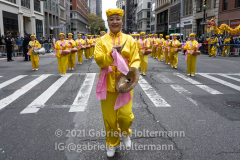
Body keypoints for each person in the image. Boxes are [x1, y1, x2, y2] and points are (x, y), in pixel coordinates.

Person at [94, 8, 140, 157]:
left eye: (118, 19)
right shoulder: (101, 41)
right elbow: (99, 60)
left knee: (125, 116)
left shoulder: (130, 40)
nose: (115, 22)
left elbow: (136, 59)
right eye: (111, 19)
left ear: (122, 21)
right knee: (109, 119)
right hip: (107, 83)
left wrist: (130, 75)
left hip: (125, 82)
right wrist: (110, 54)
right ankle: (112, 143)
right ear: (107, 22)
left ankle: (125, 132)